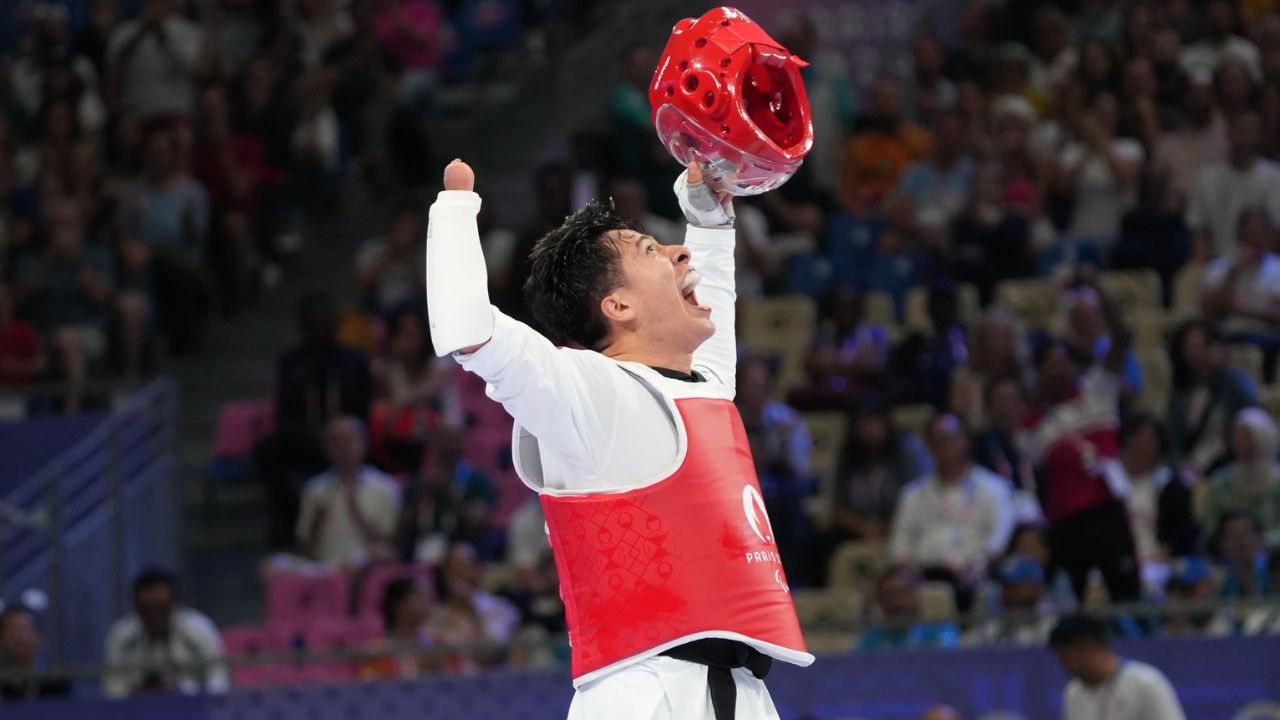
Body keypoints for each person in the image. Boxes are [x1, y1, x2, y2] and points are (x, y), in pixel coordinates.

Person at [426, 157, 812, 719]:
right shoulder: (590, 397)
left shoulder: (702, 387)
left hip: (742, 695)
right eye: (654, 251)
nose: (680, 255)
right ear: (619, 306)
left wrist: (707, 220)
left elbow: (715, 314)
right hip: (643, 692)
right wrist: (456, 209)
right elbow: (467, 327)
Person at [1025, 272, 1141, 604]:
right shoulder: (1036, 425)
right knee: (1068, 606)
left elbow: (1123, 337)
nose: (1058, 371)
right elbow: (1028, 454)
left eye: (1063, 364)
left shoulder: (1098, 392)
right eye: (1050, 366)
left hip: (1107, 513)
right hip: (1066, 523)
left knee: (1126, 597)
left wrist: (1099, 290)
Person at [256, 291, 372, 547]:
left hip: (349, 439)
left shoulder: (354, 361)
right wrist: (317, 438)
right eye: (315, 323)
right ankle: (287, 529)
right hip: (307, 442)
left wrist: (342, 436)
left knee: (361, 442)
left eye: (326, 322)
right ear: (304, 326)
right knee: (267, 451)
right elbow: (284, 415)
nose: (321, 329)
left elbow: (364, 411)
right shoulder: (291, 362)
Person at [889, 414, 1013, 608]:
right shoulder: (912, 494)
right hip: (924, 579)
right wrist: (912, 575)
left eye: (949, 438)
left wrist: (979, 567)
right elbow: (900, 546)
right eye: (936, 441)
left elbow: (998, 540)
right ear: (929, 447)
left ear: (966, 441)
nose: (943, 446)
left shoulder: (994, 488)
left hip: (973, 575)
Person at [737, 356, 815, 578]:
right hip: (742, 487)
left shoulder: (787, 419)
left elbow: (801, 469)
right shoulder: (729, 417)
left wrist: (778, 442)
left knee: (792, 498)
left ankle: (793, 577)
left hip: (782, 488)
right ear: (740, 386)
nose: (756, 390)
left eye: (761, 384)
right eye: (751, 384)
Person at [103, 569, 228, 698]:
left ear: (174, 603)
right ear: (136, 607)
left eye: (161, 608)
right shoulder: (121, 637)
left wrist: (182, 692)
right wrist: (136, 693)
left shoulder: (199, 630)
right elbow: (112, 691)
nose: (154, 617)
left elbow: (218, 683)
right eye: (147, 610)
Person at [296, 416, 401, 569]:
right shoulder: (315, 489)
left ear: (364, 443)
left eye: (350, 441)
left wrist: (356, 511)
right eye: (336, 442)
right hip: (324, 565)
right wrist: (316, 524)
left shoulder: (384, 487)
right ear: (326, 448)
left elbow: (392, 543)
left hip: (366, 562)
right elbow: (304, 549)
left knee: (375, 556)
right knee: (271, 567)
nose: (344, 449)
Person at [831, 394, 933, 544]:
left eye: (874, 422)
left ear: (886, 422)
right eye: (863, 423)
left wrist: (887, 528)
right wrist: (864, 529)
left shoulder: (907, 450)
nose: (869, 430)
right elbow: (838, 508)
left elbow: (921, 499)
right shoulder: (848, 456)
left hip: (902, 526)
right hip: (859, 530)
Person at [1050, 614, 1186, 720]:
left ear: (1087, 647)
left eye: (1064, 657)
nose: (1064, 666)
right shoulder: (1073, 692)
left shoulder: (1145, 683)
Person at [1185, 110, 1280, 261]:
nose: (1246, 136)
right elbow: (1199, 231)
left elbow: (1276, 231)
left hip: (1263, 266)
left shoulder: (1275, 176)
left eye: (1252, 130)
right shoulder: (1207, 178)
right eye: (1241, 129)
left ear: (1260, 135)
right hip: (1217, 264)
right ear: (1229, 132)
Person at [1166, 320, 1258, 474]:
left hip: (1231, 468)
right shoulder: (1179, 397)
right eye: (1191, 347)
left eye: (1205, 345)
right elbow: (1173, 444)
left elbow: (1250, 427)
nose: (1200, 353)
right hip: (1188, 472)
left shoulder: (1236, 384)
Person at [1116, 414, 1199, 578]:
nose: (1140, 444)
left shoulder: (1170, 485)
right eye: (1135, 436)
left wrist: (1162, 554)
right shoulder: (1113, 484)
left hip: (1159, 560)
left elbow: (1181, 533)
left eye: (1147, 437)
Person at [1201, 208, 1280, 381]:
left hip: (1268, 339)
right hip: (1226, 337)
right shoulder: (1219, 269)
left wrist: (1236, 304)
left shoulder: (1277, 269)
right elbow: (1208, 310)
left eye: (1259, 232)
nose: (1254, 239)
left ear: (1269, 235)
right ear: (1239, 235)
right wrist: (1233, 273)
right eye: (1248, 233)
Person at [428, 543, 520, 673]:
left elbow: (492, 653)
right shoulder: (434, 614)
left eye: (465, 566)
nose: (458, 573)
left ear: (478, 570)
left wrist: (471, 611)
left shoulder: (501, 608)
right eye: (453, 568)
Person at [1204, 410, 1280, 545]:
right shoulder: (1222, 482)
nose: (1239, 442)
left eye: (1246, 436)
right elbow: (1212, 528)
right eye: (1237, 436)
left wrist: (1260, 543)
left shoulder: (1277, 483)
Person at [855, 565, 960, 653]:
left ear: (918, 596)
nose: (896, 602)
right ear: (879, 601)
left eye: (903, 593)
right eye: (888, 596)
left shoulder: (940, 631)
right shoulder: (871, 639)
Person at [966, 555, 1055, 647]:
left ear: (1035, 587)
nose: (1007, 592)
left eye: (1014, 586)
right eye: (1005, 586)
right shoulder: (994, 627)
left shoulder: (1050, 625)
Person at [357, 201, 428, 316]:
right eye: (404, 225)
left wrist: (408, 258)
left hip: (413, 311)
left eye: (412, 226)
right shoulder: (373, 248)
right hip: (380, 309)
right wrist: (391, 253)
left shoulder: (425, 252)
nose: (408, 231)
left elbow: (428, 289)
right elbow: (365, 283)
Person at [359, 578, 437, 680]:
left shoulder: (436, 645)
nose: (427, 603)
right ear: (399, 606)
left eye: (427, 598)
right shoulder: (377, 651)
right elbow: (370, 687)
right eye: (420, 598)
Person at [0, 607, 70, 701]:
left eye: (24, 630)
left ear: (39, 637)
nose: (19, 637)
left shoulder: (56, 682)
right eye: (12, 631)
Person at [1160, 556, 1235, 638]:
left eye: (1190, 589)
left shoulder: (1226, 626)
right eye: (1181, 592)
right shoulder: (1170, 631)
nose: (1183, 597)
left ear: (1209, 586)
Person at [1213, 512, 1272, 599]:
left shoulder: (1274, 574)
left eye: (1248, 534)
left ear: (1260, 539)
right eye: (1233, 536)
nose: (1242, 542)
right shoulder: (1219, 584)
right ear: (1223, 544)